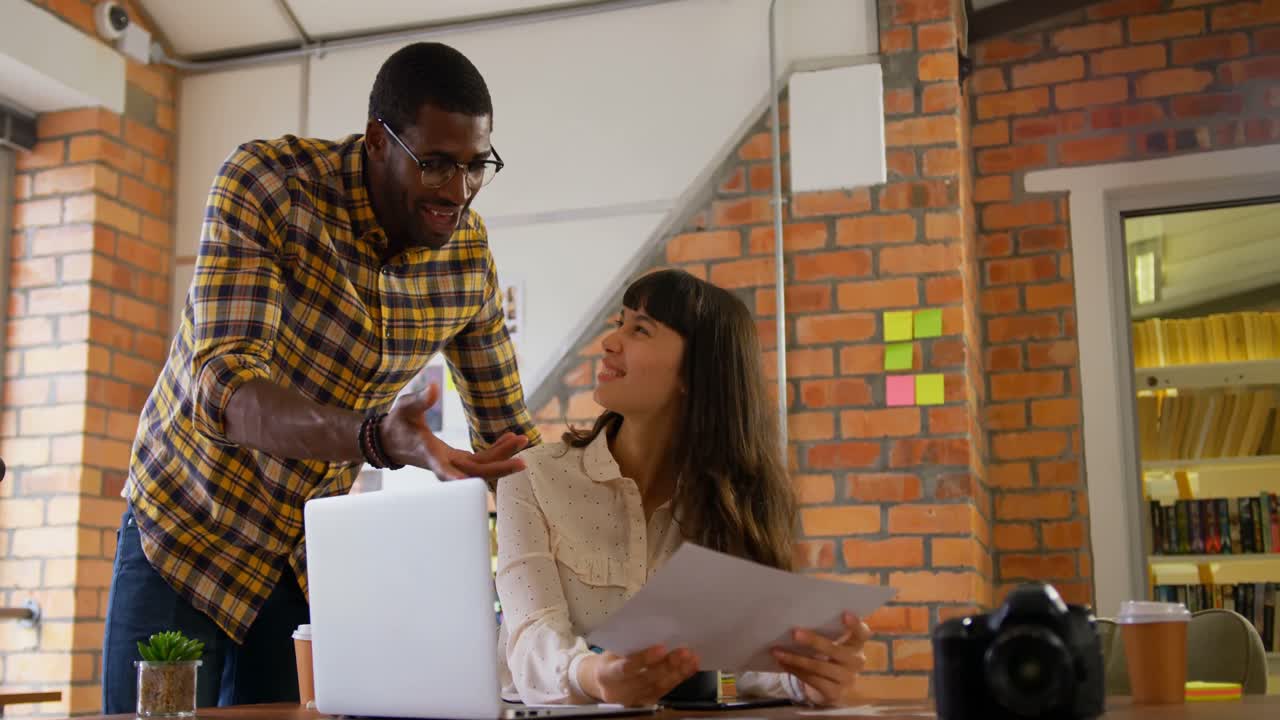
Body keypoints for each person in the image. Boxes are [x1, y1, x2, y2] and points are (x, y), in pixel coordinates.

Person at [102, 42, 539, 713]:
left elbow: (513, 438)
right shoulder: (269, 185)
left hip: (298, 566)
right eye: (436, 165)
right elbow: (224, 388)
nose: (457, 192)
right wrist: (377, 440)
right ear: (376, 141)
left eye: (476, 166)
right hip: (184, 533)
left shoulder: (467, 261)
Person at [496, 269, 871, 707]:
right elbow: (530, 635)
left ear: (695, 373)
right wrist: (593, 676)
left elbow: (742, 656)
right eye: (620, 323)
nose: (610, 342)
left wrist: (806, 675)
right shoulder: (531, 475)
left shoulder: (736, 498)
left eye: (640, 329)